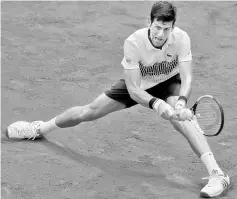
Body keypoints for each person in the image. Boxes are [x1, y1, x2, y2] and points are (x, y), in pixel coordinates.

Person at [6, 1, 229, 198]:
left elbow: (187, 77)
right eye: (157, 27)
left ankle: (217, 174)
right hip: (139, 84)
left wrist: (180, 102)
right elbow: (133, 90)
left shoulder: (181, 39)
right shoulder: (134, 43)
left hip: (170, 81)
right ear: (149, 22)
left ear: (173, 27)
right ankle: (39, 129)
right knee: (89, 112)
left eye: (166, 29)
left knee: (182, 121)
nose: (161, 34)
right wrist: (157, 104)